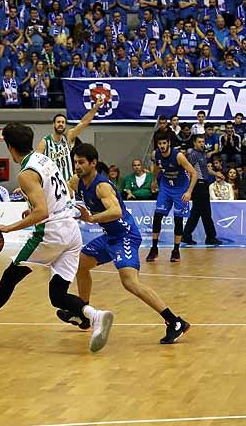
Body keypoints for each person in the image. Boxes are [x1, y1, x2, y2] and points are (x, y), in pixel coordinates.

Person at [0, 122, 114, 353]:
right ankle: (96, 316)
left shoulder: (25, 174)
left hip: (52, 232)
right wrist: (32, 203)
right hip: (71, 230)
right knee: (57, 296)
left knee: (12, 273)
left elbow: (42, 212)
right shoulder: (45, 159)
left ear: (9, 147)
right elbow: (59, 193)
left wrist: (9, 227)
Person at [68, 143, 191, 344]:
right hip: (109, 236)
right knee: (81, 265)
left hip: (125, 235)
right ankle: (85, 314)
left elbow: (116, 212)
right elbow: (62, 190)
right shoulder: (77, 181)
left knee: (129, 282)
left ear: (93, 163)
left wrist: (90, 218)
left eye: (81, 162)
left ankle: (175, 321)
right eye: (75, 162)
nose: (77, 166)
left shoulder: (102, 186)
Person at [147, 133, 199, 263]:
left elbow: (194, 174)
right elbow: (157, 168)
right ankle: (154, 248)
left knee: (178, 219)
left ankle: (176, 250)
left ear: (168, 143)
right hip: (166, 187)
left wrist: (189, 192)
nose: (162, 146)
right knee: (157, 216)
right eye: (160, 144)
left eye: (164, 143)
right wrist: (153, 180)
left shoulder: (178, 156)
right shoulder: (156, 154)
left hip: (181, 189)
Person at [35, 98, 103, 182]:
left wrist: (95, 107)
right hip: (52, 184)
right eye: (58, 122)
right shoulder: (45, 142)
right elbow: (35, 162)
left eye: (63, 122)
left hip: (68, 183)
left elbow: (83, 122)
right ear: (53, 124)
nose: (61, 124)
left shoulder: (68, 137)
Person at [182, 134, 222, 246]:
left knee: (198, 212)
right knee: (204, 212)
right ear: (194, 143)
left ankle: (187, 235)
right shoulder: (193, 154)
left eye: (203, 142)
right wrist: (189, 186)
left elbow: (205, 170)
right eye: (199, 142)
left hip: (203, 184)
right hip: (198, 185)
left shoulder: (202, 154)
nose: (202, 144)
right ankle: (210, 237)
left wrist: (216, 174)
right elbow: (189, 170)